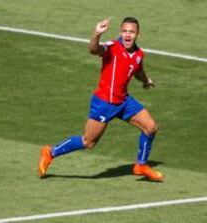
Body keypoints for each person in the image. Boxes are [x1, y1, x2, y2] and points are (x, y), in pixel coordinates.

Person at [38, 17, 163, 182]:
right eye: (124, 31)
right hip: (104, 103)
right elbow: (93, 49)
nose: (127, 35)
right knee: (88, 142)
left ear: (138, 35)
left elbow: (138, 70)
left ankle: (140, 165)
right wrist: (97, 34)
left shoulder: (139, 54)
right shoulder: (112, 47)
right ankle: (50, 152)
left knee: (151, 127)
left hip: (124, 101)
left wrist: (146, 80)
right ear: (120, 32)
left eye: (131, 32)